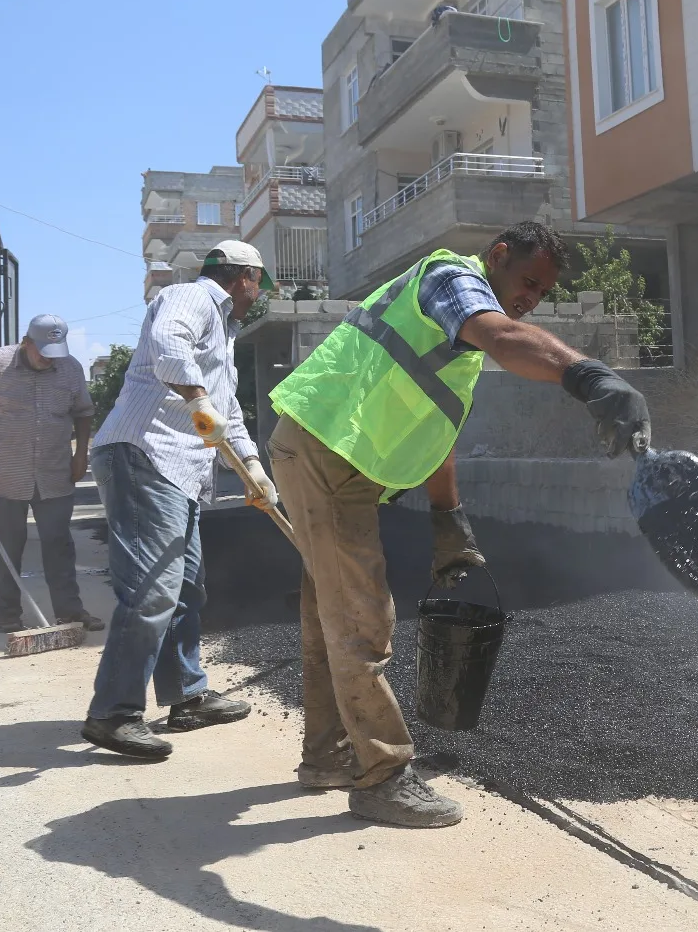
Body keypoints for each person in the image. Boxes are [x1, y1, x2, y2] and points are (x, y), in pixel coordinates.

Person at [268, 220, 650, 828]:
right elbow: (503, 335)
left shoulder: (456, 341)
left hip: (332, 456)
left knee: (328, 611)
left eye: (541, 292)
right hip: (325, 451)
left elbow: (436, 428)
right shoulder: (452, 281)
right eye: (526, 280)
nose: (529, 298)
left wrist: (449, 518)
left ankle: (328, 756)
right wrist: (587, 374)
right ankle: (383, 777)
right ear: (497, 256)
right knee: (363, 619)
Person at [81, 241, 279, 760]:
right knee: (152, 591)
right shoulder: (193, 297)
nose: (257, 297)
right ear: (243, 278)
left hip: (179, 469)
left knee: (187, 588)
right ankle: (113, 714)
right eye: (258, 285)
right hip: (144, 453)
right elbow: (170, 344)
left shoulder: (225, 336)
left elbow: (227, 413)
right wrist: (195, 398)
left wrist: (254, 470)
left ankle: (187, 697)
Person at [0, 314, 102, 634]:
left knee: (58, 545)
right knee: (4, 547)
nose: (48, 358)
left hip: (55, 473)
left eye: (54, 351)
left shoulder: (70, 369)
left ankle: (69, 612)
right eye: (42, 350)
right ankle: (9, 615)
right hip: (3, 474)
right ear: (26, 343)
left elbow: (83, 413)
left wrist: (81, 454)